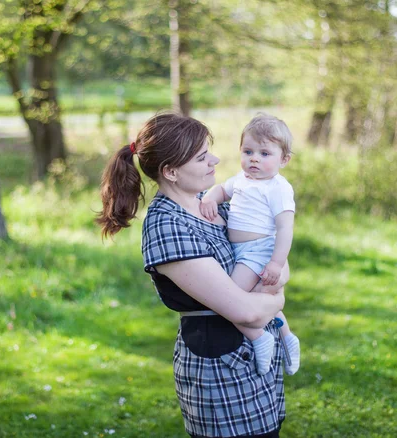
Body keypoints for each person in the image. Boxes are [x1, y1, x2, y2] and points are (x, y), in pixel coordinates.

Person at [97, 112, 288, 437]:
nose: (215, 160)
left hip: (255, 365)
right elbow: (246, 309)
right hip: (219, 371)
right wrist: (278, 297)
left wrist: (273, 284)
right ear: (170, 171)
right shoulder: (166, 224)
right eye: (202, 157)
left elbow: (273, 254)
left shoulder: (210, 204)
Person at [199, 113, 300, 377]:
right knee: (257, 298)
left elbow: (285, 228)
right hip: (241, 251)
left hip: (259, 251)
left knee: (229, 299)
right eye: (248, 151)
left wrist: (276, 263)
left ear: (284, 159)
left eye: (265, 153)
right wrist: (210, 198)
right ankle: (286, 334)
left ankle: (258, 336)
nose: (254, 158)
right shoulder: (241, 179)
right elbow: (222, 190)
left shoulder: (278, 188)